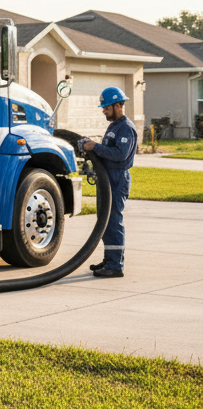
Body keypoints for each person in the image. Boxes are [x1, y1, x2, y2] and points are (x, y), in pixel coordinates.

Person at [81, 87, 137, 278]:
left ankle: (115, 265)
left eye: (106, 107)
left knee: (113, 221)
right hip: (107, 179)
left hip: (117, 178)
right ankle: (109, 259)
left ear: (118, 106)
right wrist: (92, 150)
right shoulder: (114, 126)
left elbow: (121, 155)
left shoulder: (126, 128)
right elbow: (108, 151)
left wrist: (95, 147)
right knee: (104, 220)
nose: (103, 110)